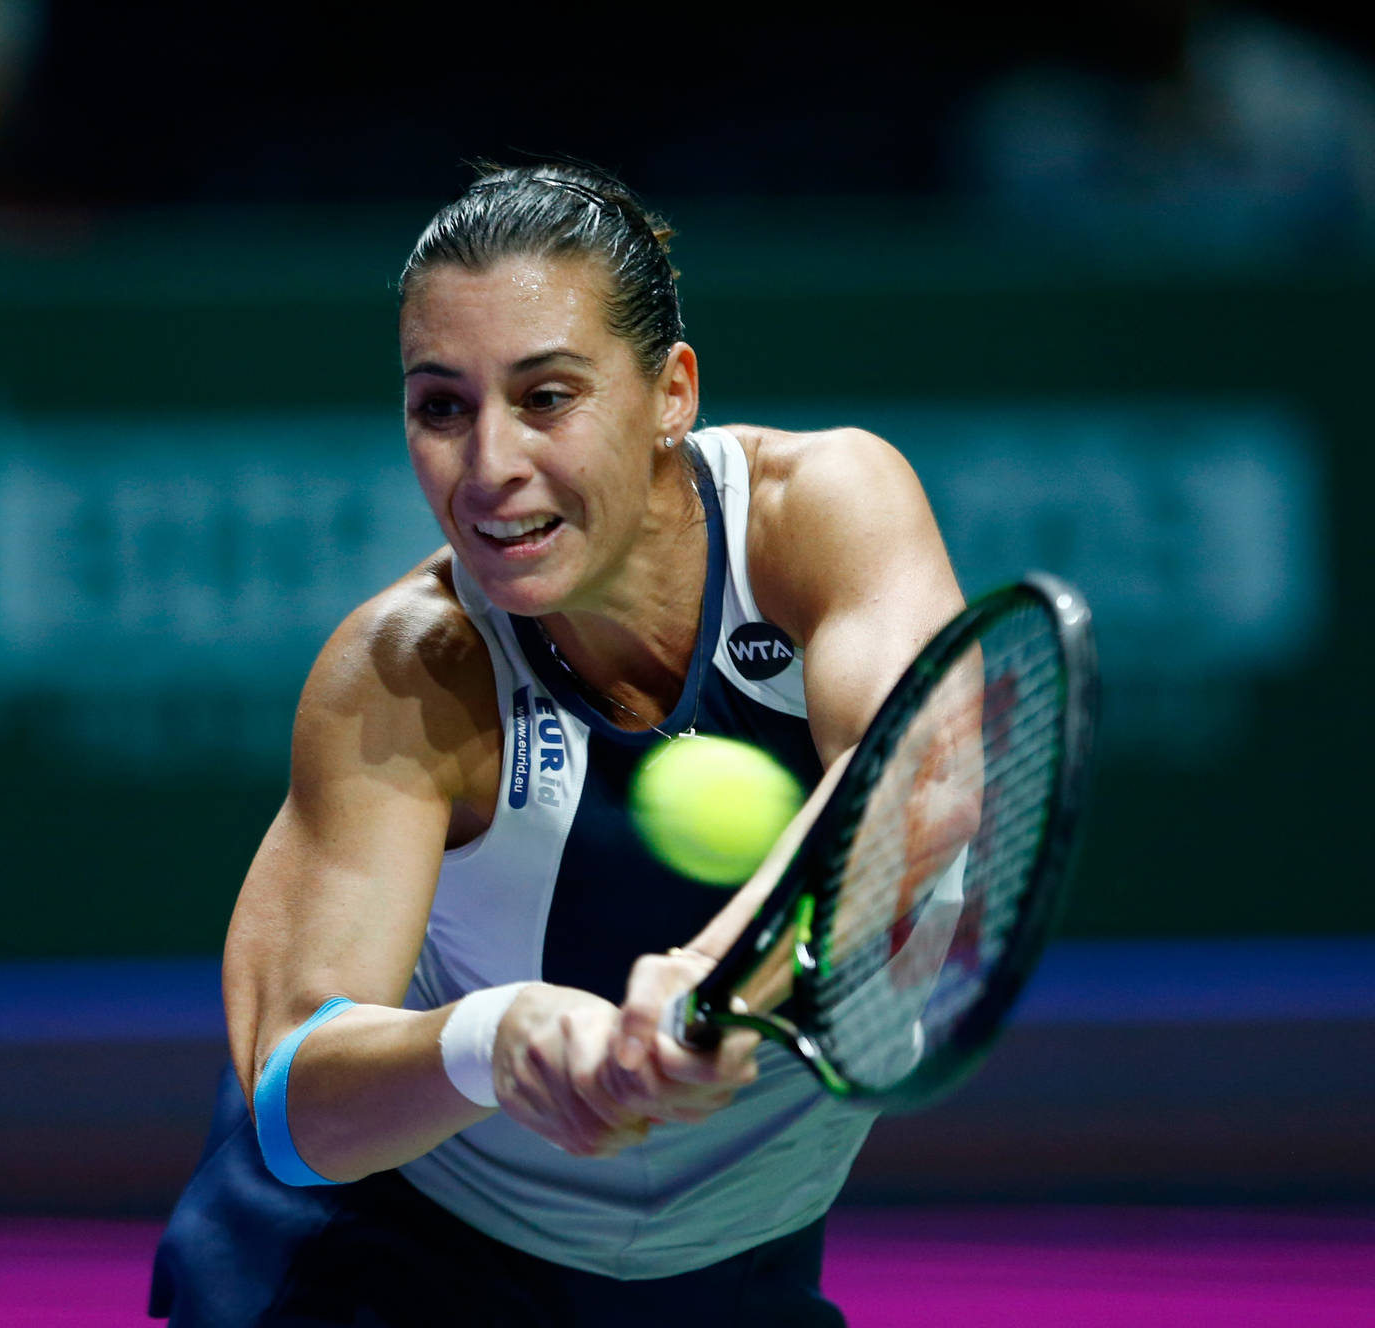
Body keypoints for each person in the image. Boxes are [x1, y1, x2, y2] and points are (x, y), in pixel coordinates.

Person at [150, 163, 964, 1327]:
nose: (489, 467)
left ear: (671, 391)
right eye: (442, 405)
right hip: (391, 1267)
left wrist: (717, 986)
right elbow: (294, 1097)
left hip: (731, 1269)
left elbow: (918, 795)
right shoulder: (407, 668)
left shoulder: (822, 512)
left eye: (546, 396)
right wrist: (494, 1038)